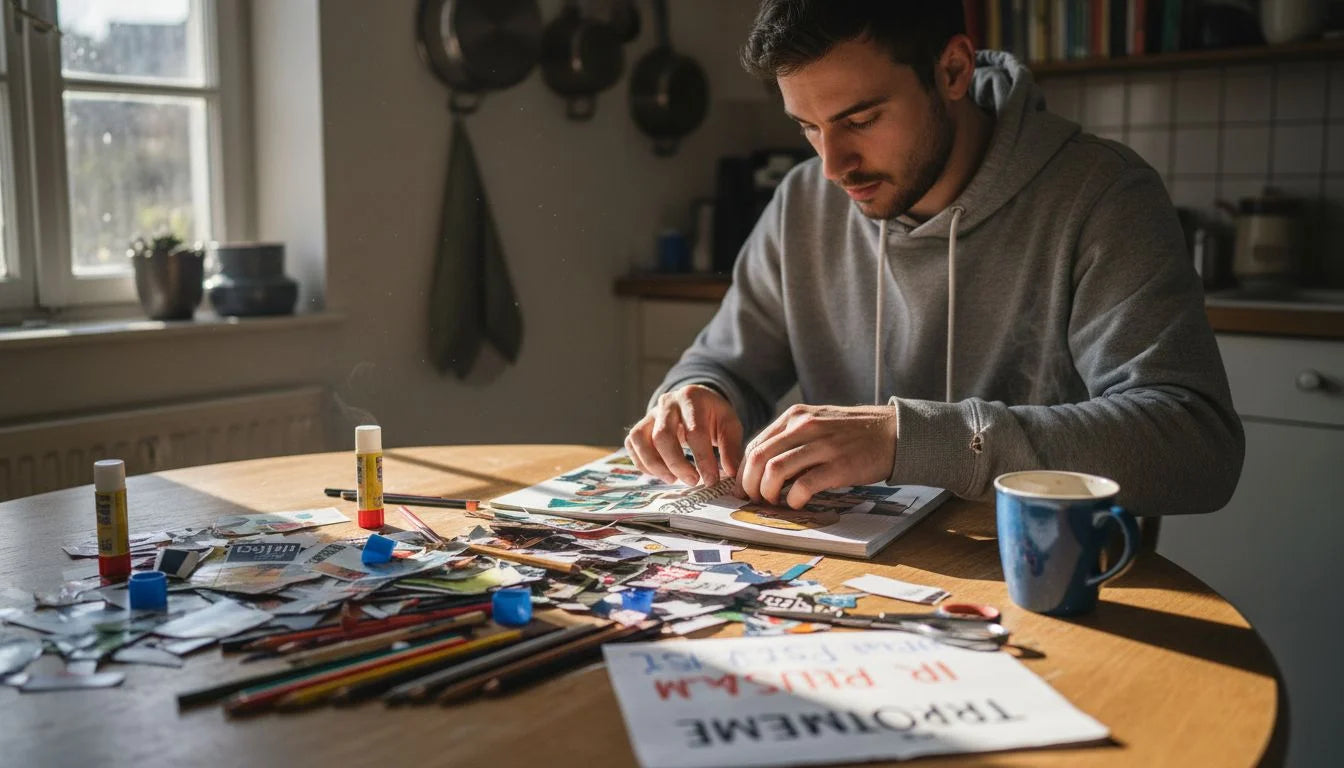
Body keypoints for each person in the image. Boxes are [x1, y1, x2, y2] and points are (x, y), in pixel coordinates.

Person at [623, 0, 1243, 517]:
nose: (833, 166)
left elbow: (1195, 449)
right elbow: (725, 363)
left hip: (1046, 586)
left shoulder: (1103, 196)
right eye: (808, 127)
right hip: (852, 584)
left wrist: (910, 439)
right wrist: (697, 392)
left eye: (859, 119)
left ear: (951, 70)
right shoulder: (803, 201)